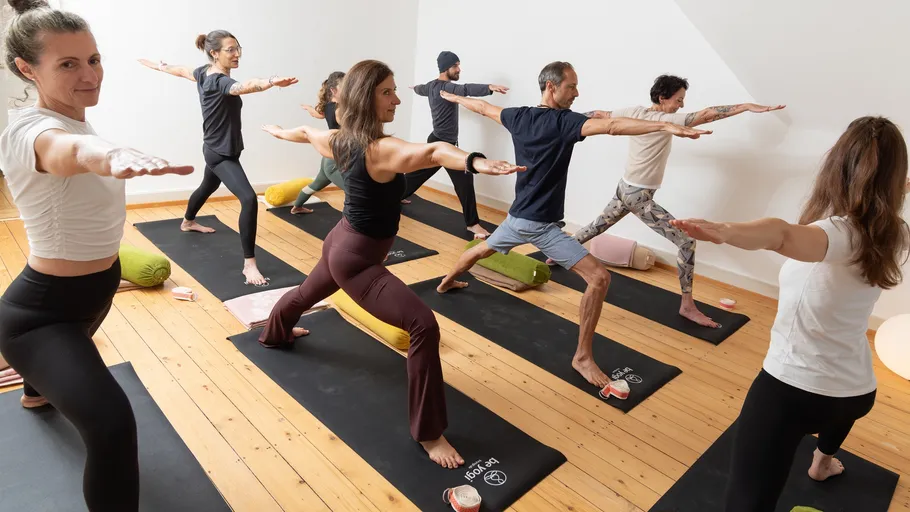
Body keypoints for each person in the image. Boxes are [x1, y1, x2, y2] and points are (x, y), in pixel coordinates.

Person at [258, 60, 524, 469]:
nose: (397, 99)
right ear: (367, 98)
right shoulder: (378, 149)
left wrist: (279, 133)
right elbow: (434, 150)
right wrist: (477, 162)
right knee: (423, 325)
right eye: (387, 92)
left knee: (305, 294)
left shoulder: (339, 139)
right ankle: (429, 433)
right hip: (358, 258)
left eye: (395, 90)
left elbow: (307, 132)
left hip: (339, 242)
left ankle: (275, 334)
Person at [0, 1, 195, 510]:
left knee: (63, 378)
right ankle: (33, 371)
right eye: (67, 64)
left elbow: (77, 143)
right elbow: (64, 151)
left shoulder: (78, 122)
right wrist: (109, 156)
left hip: (97, 290)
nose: (90, 75)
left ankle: (34, 390)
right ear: (27, 69)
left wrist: (106, 150)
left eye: (93, 58)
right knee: (111, 426)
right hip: (40, 316)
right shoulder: (28, 130)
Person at [670, 116, 909, 511]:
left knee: (746, 501)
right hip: (855, 392)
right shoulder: (895, 232)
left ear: (836, 167)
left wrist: (726, 230)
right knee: (834, 419)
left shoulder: (836, 234)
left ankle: (821, 460)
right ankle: (823, 462)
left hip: (792, 392)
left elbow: (780, 233)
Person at [435, 62, 710, 389]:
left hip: (516, 217)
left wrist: (453, 97)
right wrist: (664, 127)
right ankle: (582, 357)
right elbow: (612, 126)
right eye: (572, 87)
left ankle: (446, 282)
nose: (577, 93)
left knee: (483, 249)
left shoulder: (518, 116)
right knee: (599, 278)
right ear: (552, 87)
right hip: (539, 226)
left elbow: (482, 107)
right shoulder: (564, 122)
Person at [566, 74, 785, 327]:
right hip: (638, 196)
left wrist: (560, 119)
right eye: (679, 99)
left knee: (597, 226)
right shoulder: (666, 119)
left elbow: (600, 114)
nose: (681, 105)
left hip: (625, 188)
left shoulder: (633, 112)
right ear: (662, 98)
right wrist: (745, 106)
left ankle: (555, 253)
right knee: (686, 241)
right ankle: (687, 306)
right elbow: (706, 114)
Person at [138, 31, 298, 286]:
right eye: (230, 50)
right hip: (219, 153)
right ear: (215, 53)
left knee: (208, 186)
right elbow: (244, 86)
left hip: (220, 148)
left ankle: (188, 221)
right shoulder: (218, 81)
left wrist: (160, 66)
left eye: (238, 48)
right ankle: (249, 264)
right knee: (248, 199)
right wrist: (271, 81)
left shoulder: (203, 72)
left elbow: (181, 70)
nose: (237, 54)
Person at [403, 50, 510, 239]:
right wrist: (489, 87)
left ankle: (396, 196)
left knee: (418, 174)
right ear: (446, 68)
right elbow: (466, 89)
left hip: (436, 141)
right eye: (456, 66)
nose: (459, 69)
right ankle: (473, 224)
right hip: (443, 145)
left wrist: (415, 87)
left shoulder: (430, 86)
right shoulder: (447, 89)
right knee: (465, 179)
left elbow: (421, 89)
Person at [292, 70, 346, 214]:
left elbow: (318, 115)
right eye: (346, 87)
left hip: (328, 156)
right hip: (335, 160)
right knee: (354, 190)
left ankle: (297, 206)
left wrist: (309, 108)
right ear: (333, 90)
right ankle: (351, 223)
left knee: (315, 184)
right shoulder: (341, 110)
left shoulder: (329, 107)